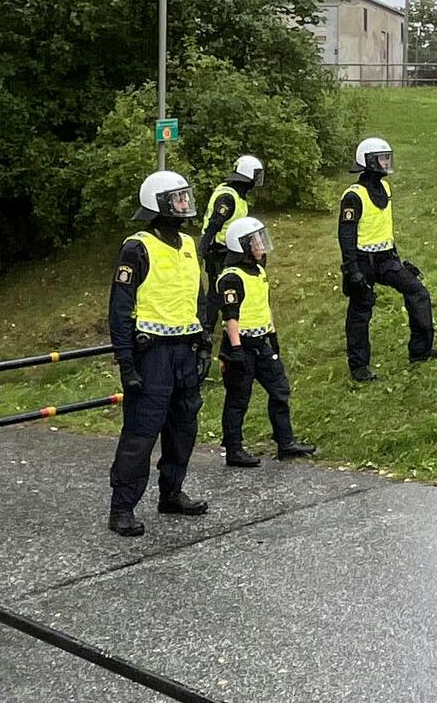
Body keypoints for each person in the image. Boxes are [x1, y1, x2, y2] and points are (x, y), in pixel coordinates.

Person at [107, 172, 212, 537]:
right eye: (178, 199)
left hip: (185, 349)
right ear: (157, 203)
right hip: (151, 353)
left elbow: (198, 299)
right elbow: (120, 310)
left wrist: (204, 343)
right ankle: (122, 508)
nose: (185, 205)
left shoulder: (188, 243)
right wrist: (126, 363)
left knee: (184, 426)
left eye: (186, 197)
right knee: (141, 431)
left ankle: (171, 492)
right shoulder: (136, 248)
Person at [340, 137, 437, 381]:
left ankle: (420, 350)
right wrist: (351, 269)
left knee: (418, 292)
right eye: (382, 158)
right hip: (363, 262)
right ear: (368, 162)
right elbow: (346, 235)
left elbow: (383, 226)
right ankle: (358, 367)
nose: (387, 162)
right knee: (360, 312)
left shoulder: (385, 189)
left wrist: (398, 259)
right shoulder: (353, 196)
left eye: (387, 157)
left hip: (387, 259)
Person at [214, 217, 316, 468]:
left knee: (280, 390)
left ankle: (285, 443)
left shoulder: (259, 272)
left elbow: (264, 306)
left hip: (262, 342)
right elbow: (231, 317)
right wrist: (236, 349)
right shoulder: (231, 278)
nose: (261, 244)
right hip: (241, 345)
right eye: (255, 240)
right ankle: (234, 448)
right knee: (239, 397)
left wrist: (273, 335)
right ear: (242, 246)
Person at [199, 155, 264, 326]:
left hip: (229, 248)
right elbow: (214, 224)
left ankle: (233, 319)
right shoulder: (228, 197)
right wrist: (202, 250)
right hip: (218, 250)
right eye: (256, 175)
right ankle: (207, 327)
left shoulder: (236, 195)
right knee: (216, 292)